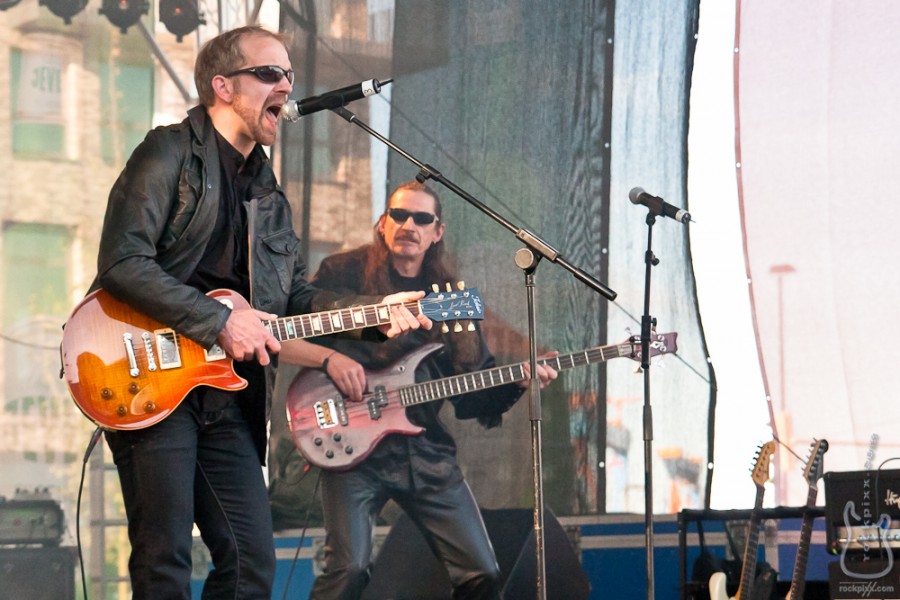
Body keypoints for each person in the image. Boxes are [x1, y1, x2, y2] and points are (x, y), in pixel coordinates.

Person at [91, 26, 430, 600]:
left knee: (253, 565)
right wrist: (218, 319)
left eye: (290, 75)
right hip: (146, 376)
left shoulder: (269, 196)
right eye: (270, 73)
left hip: (227, 398)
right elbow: (123, 262)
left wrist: (375, 312)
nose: (287, 85)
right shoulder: (169, 152)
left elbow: (293, 302)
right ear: (222, 86)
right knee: (164, 558)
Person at [280, 180, 558, 599]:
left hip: (425, 454)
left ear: (437, 232)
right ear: (383, 223)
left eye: (421, 218)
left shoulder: (453, 300)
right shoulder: (342, 272)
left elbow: (469, 398)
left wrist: (517, 379)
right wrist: (330, 359)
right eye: (399, 215)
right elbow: (282, 335)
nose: (409, 225)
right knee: (349, 568)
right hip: (353, 447)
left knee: (482, 572)